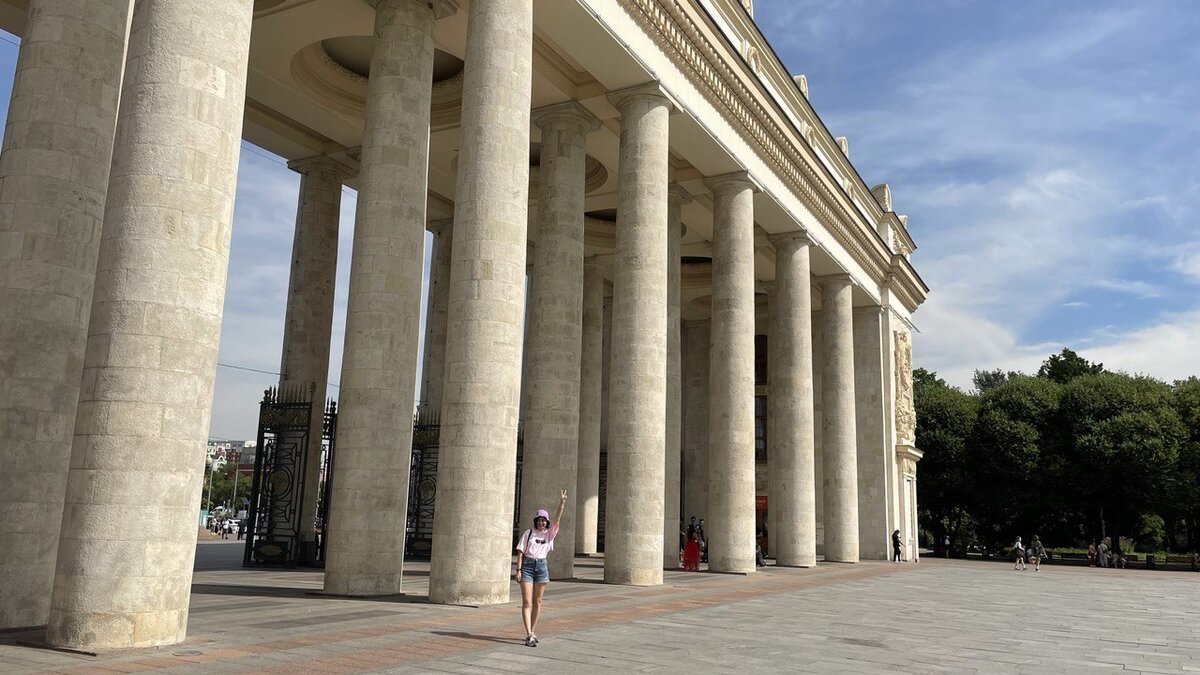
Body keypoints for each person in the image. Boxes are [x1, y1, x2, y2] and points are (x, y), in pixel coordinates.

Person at [514, 489, 568, 648]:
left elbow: (558, 519)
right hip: (528, 566)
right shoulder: (528, 533)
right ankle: (529, 633)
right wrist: (518, 570)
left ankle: (533, 630)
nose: (541, 522)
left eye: (544, 520)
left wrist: (562, 503)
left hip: (542, 566)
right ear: (535, 520)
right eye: (539, 519)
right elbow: (520, 552)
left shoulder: (549, 534)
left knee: (537, 602)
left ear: (547, 522)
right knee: (526, 602)